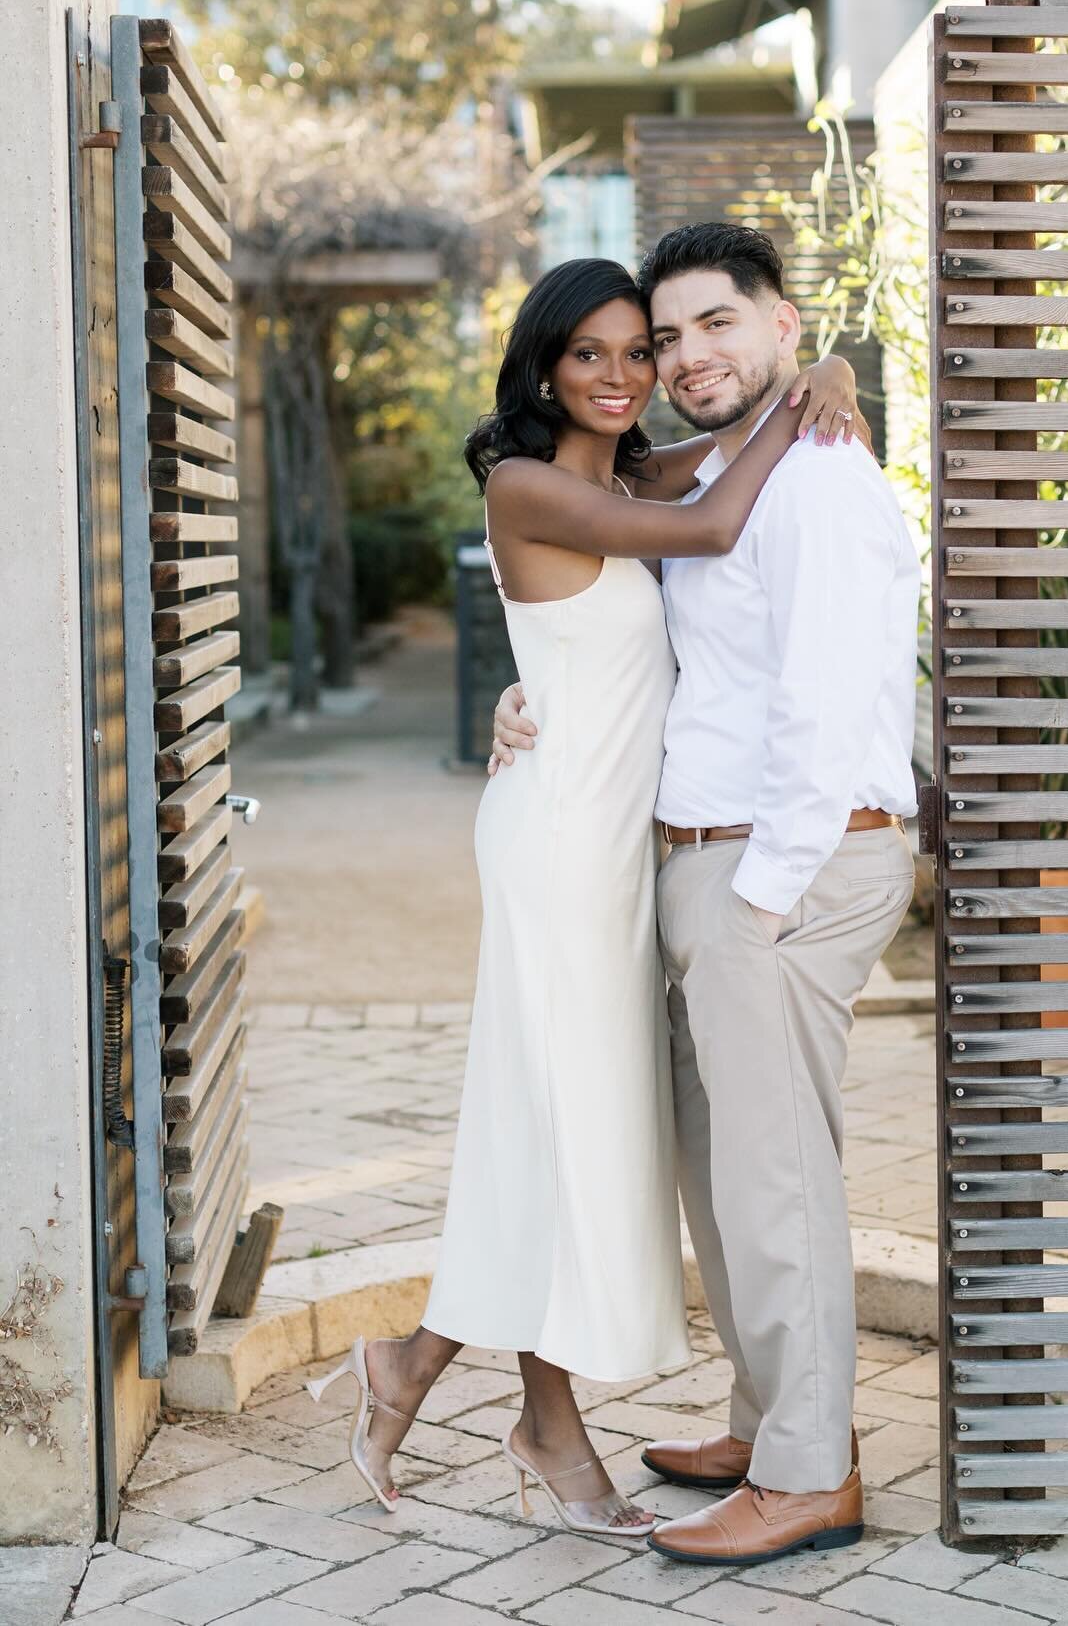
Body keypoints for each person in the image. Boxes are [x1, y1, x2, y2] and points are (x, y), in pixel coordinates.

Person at [304, 255, 869, 1537]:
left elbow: (715, 473)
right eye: (593, 356)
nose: (625, 377)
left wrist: (815, 370)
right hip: (562, 843)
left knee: (560, 1133)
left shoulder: (620, 471)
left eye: (638, 352)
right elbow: (716, 523)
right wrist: (814, 382)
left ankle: (435, 1379)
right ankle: (531, 1425)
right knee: (557, 1130)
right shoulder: (528, 486)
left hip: (624, 849)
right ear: (542, 365)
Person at [490, 223, 922, 1566]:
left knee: (776, 1177)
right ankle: (766, 1417)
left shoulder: (823, 478)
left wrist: (767, 896)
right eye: (663, 337)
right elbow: (646, 645)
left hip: (780, 862)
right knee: (729, 1177)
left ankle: (807, 1474)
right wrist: (532, 698)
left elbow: (828, 698)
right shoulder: (725, 461)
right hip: (697, 857)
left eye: (710, 325)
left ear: (783, 325)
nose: (683, 357)